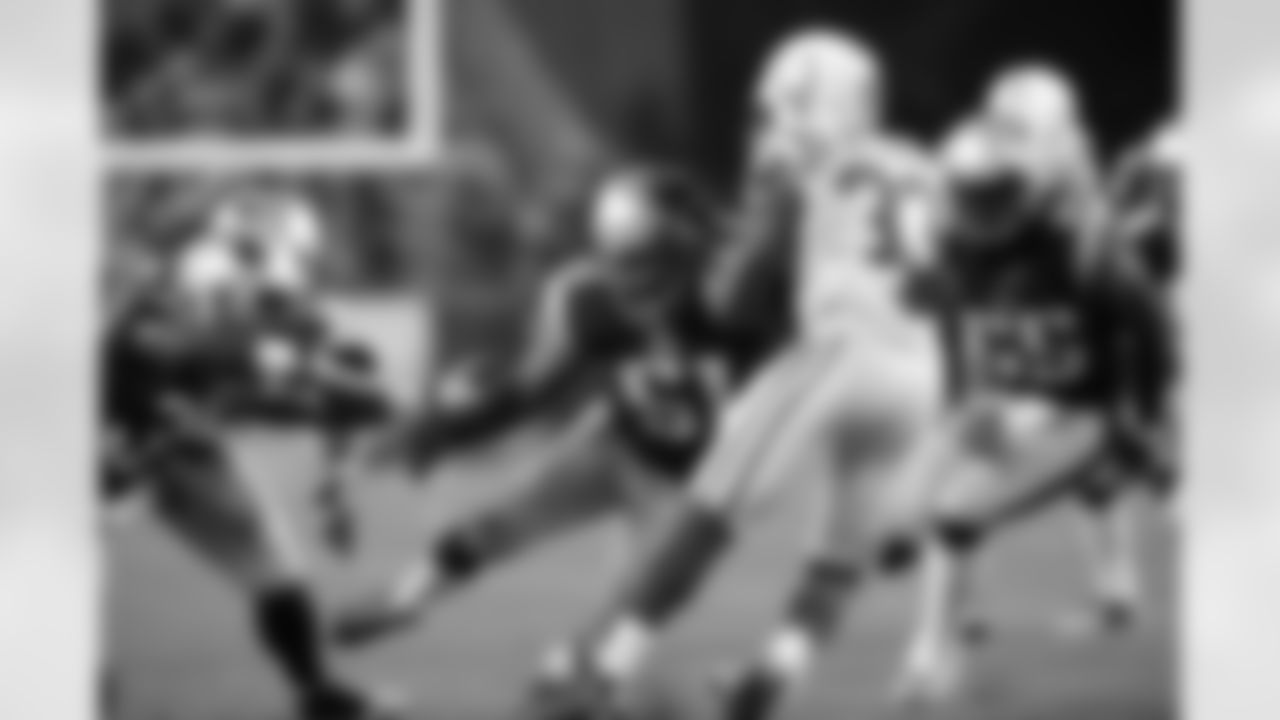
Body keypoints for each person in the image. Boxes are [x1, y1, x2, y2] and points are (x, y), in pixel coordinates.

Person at [533, 27, 952, 720]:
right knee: (837, 557)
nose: (766, 120)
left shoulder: (793, 153)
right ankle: (777, 675)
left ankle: (600, 672)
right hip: (919, 374)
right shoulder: (920, 166)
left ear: (802, 96)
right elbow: (945, 281)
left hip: (841, 355)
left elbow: (740, 295)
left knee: (706, 517)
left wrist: (707, 294)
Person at [330, 166, 776, 669]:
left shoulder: (740, 300)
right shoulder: (588, 297)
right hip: (614, 439)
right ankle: (407, 598)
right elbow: (529, 392)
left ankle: (589, 675)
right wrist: (446, 429)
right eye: (620, 261)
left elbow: (791, 384)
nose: (629, 281)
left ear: (683, 253)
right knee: (497, 522)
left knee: (641, 601)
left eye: (644, 263)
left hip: (688, 481)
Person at [892, 66, 1175, 704]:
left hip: (1082, 407)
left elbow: (1146, 325)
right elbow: (951, 322)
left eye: (995, 194)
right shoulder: (962, 242)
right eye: (971, 194)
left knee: (1182, 494)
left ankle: (935, 651)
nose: (980, 210)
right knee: (937, 511)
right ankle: (944, 643)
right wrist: (964, 399)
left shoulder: (1082, 241)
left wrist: (1145, 412)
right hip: (1030, 399)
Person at [102, 269, 393, 720]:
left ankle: (316, 692)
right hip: (102, 450)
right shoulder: (132, 346)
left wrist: (335, 475)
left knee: (276, 569)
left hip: (169, 454)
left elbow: (339, 401)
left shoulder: (224, 343)